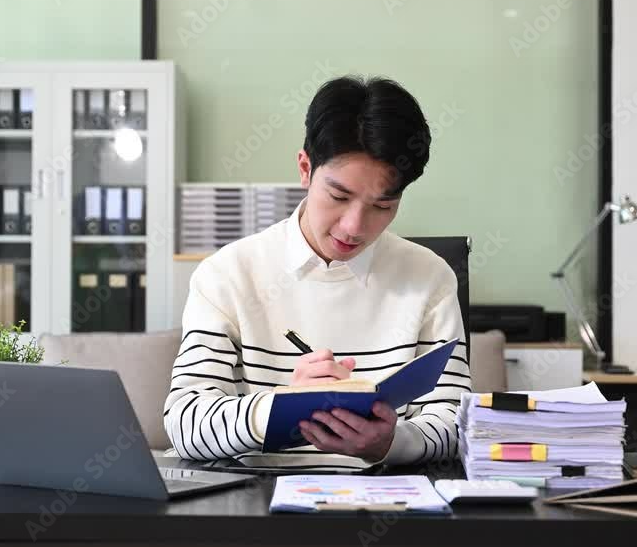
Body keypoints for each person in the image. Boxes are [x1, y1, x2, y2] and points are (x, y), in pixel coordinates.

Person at [163, 75, 470, 468]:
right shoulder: (227, 274)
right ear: (305, 169)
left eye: (382, 206)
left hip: (390, 506)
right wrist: (277, 409)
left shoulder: (430, 278)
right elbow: (185, 423)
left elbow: (456, 425)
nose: (354, 227)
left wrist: (391, 441)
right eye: (339, 196)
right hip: (254, 511)